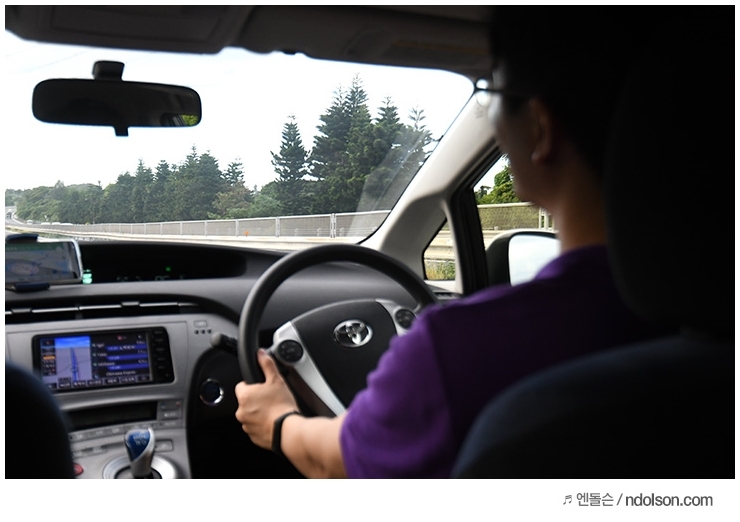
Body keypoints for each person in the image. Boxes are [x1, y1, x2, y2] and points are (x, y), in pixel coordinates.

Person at [235, 7, 669, 478]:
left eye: (491, 91)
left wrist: (278, 422)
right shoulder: (705, 319)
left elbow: (335, 461)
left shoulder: (455, 350)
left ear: (540, 128)